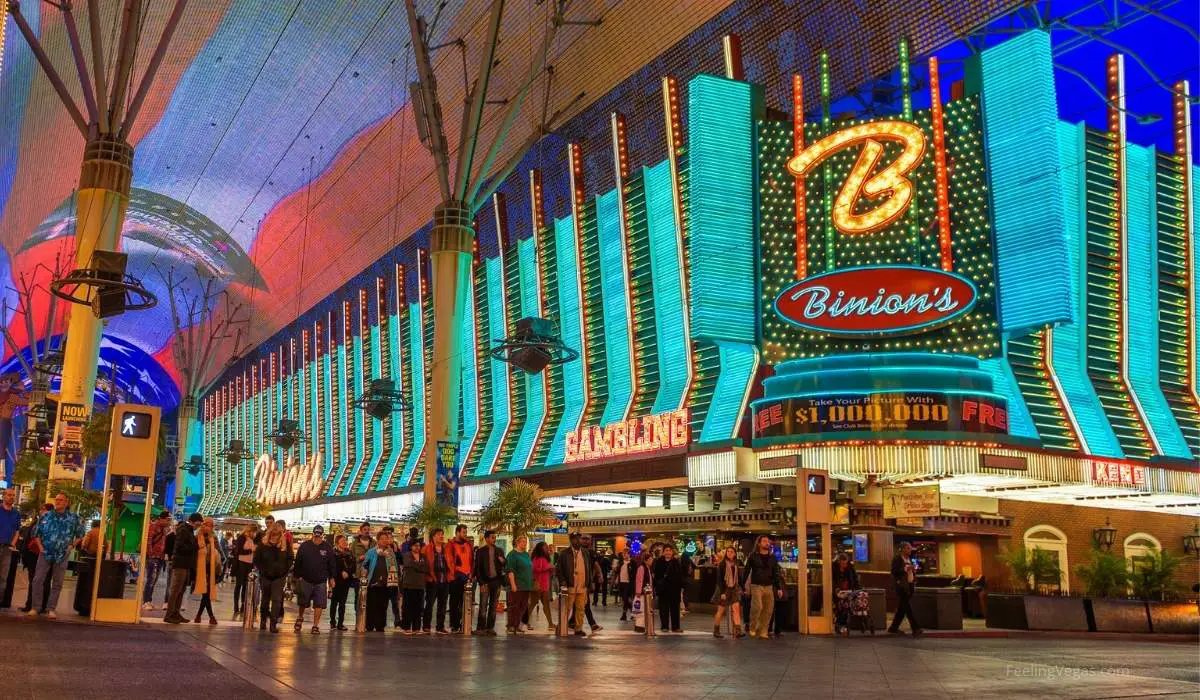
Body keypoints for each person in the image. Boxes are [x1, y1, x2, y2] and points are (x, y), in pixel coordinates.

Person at [28, 492, 86, 619]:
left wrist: (71, 546)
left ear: (66, 502)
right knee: (38, 580)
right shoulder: (46, 516)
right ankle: (35, 607)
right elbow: (35, 533)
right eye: (57, 499)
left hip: (62, 554)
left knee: (57, 583)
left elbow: (81, 534)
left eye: (61, 500)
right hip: (45, 553)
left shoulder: (73, 518)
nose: (58, 502)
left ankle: (51, 609)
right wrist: (40, 547)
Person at [293, 524, 336, 634]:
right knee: (303, 602)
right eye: (315, 535)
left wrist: (332, 578)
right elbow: (298, 562)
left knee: (319, 604)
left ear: (323, 535)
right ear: (313, 534)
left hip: (321, 581)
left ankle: (315, 625)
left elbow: (332, 564)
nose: (317, 538)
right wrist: (297, 576)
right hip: (306, 579)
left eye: (319, 536)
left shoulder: (327, 548)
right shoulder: (305, 546)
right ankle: (300, 617)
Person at [742, 535, 784, 639]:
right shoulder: (753, 556)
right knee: (758, 607)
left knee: (768, 610)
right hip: (756, 585)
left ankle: (763, 631)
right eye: (764, 541)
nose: (767, 543)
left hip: (769, 586)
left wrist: (779, 588)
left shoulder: (772, 557)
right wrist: (742, 585)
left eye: (768, 541)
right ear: (759, 543)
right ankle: (752, 627)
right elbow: (746, 570)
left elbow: (776, 573)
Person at [163, 513, 201, 624]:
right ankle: (169, 614)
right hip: (180, 564)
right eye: (199, 522)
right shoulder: (183, 529)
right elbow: (180, 547)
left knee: (181, 590)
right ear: (194, 521)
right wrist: (195, 546)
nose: (199, 525)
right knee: (176, 590)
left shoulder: (189, 530)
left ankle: (176, 613)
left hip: (186, 564)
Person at [554, 532, 593, 637]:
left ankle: (578, 628)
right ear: (571, 540)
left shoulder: (585, 552)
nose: (578, 541)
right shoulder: (564, 553)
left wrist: (589, 583)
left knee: (581, 609)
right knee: (566, 608)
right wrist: (563, 582)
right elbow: (559, 569)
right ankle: (561, 627)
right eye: (575, 539)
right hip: (570, 586)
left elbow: (588, 568)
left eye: (579, 538)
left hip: (582, 586)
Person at [253, 524, 289, 633]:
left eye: (277, 535)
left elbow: (290, 558)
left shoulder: (284, 545)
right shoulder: (263, 545)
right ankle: (263, 620)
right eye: (273, 534)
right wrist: (263, 571)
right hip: (265, 576)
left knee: (277, 600)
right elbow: (257, 559)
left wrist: (284, 571)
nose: (275, 537)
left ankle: (273, 624)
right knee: (265, 599)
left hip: (279, 577)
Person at [362, 529, 399, 632]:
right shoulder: (371, 552)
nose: (384, 540)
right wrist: (364, 572)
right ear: (377, 540)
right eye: (382, 539)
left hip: (386, 584)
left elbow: (395, 566)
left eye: (386, 539)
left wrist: (395, 581)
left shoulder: (391, 552)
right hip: (373, 582)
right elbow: (365, 564)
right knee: (371, 605)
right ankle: (369, 625)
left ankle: (380, 626)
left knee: (383, 606)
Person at [473, 530, 505, 636]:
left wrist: (502, 560)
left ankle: (490, 627)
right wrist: (481, 583)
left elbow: (504, 564)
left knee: (493, 605)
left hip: (496, 581)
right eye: (492, 537)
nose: (494, 539)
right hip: (485, 582)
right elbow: (477, 568)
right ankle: (480, 628)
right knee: (483, 605)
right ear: (486, 539)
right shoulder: (481, 551)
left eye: (495, 537)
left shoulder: (499, 550)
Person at [888, 542, 922, 638]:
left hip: (910, 585)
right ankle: (915, 628)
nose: (910, 550)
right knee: (907, 607)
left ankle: (893, 628)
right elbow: (894, 571)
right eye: (908, 548)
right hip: (902, 586)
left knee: (902, 608)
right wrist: (905, 569)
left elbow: (909, 570)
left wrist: (913, 571)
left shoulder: (909, 559)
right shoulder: (897, 559)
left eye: (910, 548)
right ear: (902, 549)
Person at [192, 517, 221, 625]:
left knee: (206, 593)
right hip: (200, 568)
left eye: (210, 525)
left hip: (211, 568)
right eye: (206, 524)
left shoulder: (214, 538)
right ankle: (209, 616)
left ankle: (200, 616)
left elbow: (218, 553)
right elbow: (195, 552)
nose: (208, 527)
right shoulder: (197, 537)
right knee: (206, 593)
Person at [712, 546, 745, 638]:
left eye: (732, 552)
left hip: (734, 589)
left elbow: (739, 577)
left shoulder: (736, 563)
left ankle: (738, 631)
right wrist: (722, 592)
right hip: (724, 589)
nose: (730, 553)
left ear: (735, 554)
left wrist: (743, 588)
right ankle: (716, 630)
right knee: (720, 610)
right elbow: (719, 580)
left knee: (736, 609)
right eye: (728, 552)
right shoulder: (722, 564)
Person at [422, 528, 450, 634]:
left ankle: (440, 626)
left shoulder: (446, 548)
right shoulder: (426, 549)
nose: (441, 536)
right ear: (433, 536)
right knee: (429, 604)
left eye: (442, 534)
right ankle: (426, 626)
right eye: (439, 534)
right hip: (432, 580)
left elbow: (450, 562)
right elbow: (424, 564)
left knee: (442, 605)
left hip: (444, 580)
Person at [142, 511, 171, 611]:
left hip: (160, 558)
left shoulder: (164, 529)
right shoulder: (153, 527)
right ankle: (145, 601)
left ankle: (148, 600)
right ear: (161, 519)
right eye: (167, 520)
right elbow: (148, 541)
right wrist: (150, 555)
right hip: (153, 557)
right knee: (151, 579)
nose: (169, 522)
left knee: (153, 580)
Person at [504, 535, 533, 635]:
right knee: (514, 606)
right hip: (517, 585)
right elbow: (510, 571)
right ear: (517, 543)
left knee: (523, 607)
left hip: (526, 585)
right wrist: (513, 584)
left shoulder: (525, 554)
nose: (525, 544)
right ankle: (511, 625)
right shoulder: (512, 555)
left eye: (526, 542)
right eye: (523, 542)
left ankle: (517, 625)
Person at [447, 524, 473, 633]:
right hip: (456, 577)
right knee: (454, 602)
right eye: (463, 532)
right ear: (457, 532)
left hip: (467, 577)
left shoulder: (468, 545)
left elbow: (471, 560)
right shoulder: (451, 545)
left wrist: (471, 574)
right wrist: (454, 574)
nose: (465, 534)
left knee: (466, 603)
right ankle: (454, 625)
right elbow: (449, 560)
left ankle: (464, 624)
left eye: (466, 532)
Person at [652, 544, 684, 633]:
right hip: (663, 590)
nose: (668, 552)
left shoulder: (676, 562)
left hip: (674, 590)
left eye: (670, 550)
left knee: (675, 609)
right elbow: (656, 576)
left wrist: (681, 587)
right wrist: (656, 587)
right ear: (663, 552)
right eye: (666, 550)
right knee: (663, 609)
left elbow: (680, 576)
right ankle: (664, 626)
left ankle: (675, 627)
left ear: (672, 552)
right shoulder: (658, 562)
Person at [401, 539, 428, 634]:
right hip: (409, 585)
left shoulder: (423, 556)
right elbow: (408, 564)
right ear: (411, 546)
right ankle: (406, 627)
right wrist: (419, 565)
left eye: (418, 545)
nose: (417, 547)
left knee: (418, 608)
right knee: (408, 607)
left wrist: (417, 565)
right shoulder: (406, 555)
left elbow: (426, 567)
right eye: (415, 545)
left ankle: (416, 628)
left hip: (420, 586)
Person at [231, 524, 258, 619]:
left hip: (249, 564)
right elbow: (238, 551)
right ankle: (235, 605)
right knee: (239, 584)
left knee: (246, 585)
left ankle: (243, 604)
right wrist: (251, 550)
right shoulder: (242, 538)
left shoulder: (251, 539)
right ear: (250, 531)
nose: (254, 534)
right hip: (241, 564)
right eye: (254, 532)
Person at [0, 489, 21, 608]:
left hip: (7, 548)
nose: (11, 497)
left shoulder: (16, 513)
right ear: (4, 496)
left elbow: (17, 531)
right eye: (9, 495)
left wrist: (12, 543)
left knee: (3, 577)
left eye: (13, 495)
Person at [330, 534, 355, 631]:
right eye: (342, 541)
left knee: (343, 603)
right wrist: (341, 572)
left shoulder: (349, 553)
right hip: (336, 580)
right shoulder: (333, 553)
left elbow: (353, 565)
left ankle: (340, 623)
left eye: (345, 540)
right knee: (334, 602)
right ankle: (332, 622)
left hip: (346, 581)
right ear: (337, 543)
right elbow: (332, 566)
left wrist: (348, 573)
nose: (345, 542)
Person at [349, 522, 374, 617]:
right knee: (358, 597)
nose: (367, 531)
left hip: (371, 575)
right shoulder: (355, 543)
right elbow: (350, 558)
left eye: (368, 530)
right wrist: (359, 558)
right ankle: (358, 618)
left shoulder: (374, 543)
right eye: (365, 530)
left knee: (370, 597)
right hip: (358, 574)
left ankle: (368, 619)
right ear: (361, 531)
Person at [833, 553, 861, 635]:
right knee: (840, 607)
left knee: (846, 607)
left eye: (845, 563)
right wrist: (836, 589)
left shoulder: (850, 567)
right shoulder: (834, 567)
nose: (844, 565)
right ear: (839, 562)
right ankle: (840, 625)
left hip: (848, 590)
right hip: (837, 591)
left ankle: (842, 625)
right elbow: (832, 580)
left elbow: (854, 579)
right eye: (842, 563)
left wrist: (858, 588)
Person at [528, 542, 555, 630]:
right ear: (541, 548)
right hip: (538, 585)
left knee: (546, 605)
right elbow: (535, 569)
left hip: (545, 585)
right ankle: (525, 622)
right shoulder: (536, 558)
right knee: (532, 604)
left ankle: (551, 623)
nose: (547, 548)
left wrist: (551, 570)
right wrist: (548, 567)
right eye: (545, 547)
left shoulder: (546, 558)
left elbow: (547, 571)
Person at [631, 550, 654, 633]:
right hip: (641, 593)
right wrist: (638, 591)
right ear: (646, 560)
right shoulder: (641, 568)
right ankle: (639, 626)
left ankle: (643, 625)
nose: (652, 561)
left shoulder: (647, 568)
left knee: (645, 610)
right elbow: (639, 580)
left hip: (646, 593)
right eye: (651, 560)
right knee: (640, 610)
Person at [614, 551, 633, 621]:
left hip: (628, 583)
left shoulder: (631, 563)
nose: (624, 555)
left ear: (629, 554)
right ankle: (632, 611)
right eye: (624, 554)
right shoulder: (621, 563)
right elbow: (617, 572)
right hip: (621, 582)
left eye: (626, 553)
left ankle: (624, 614)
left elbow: (633, 573)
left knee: (625, 599)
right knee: (623, 598)